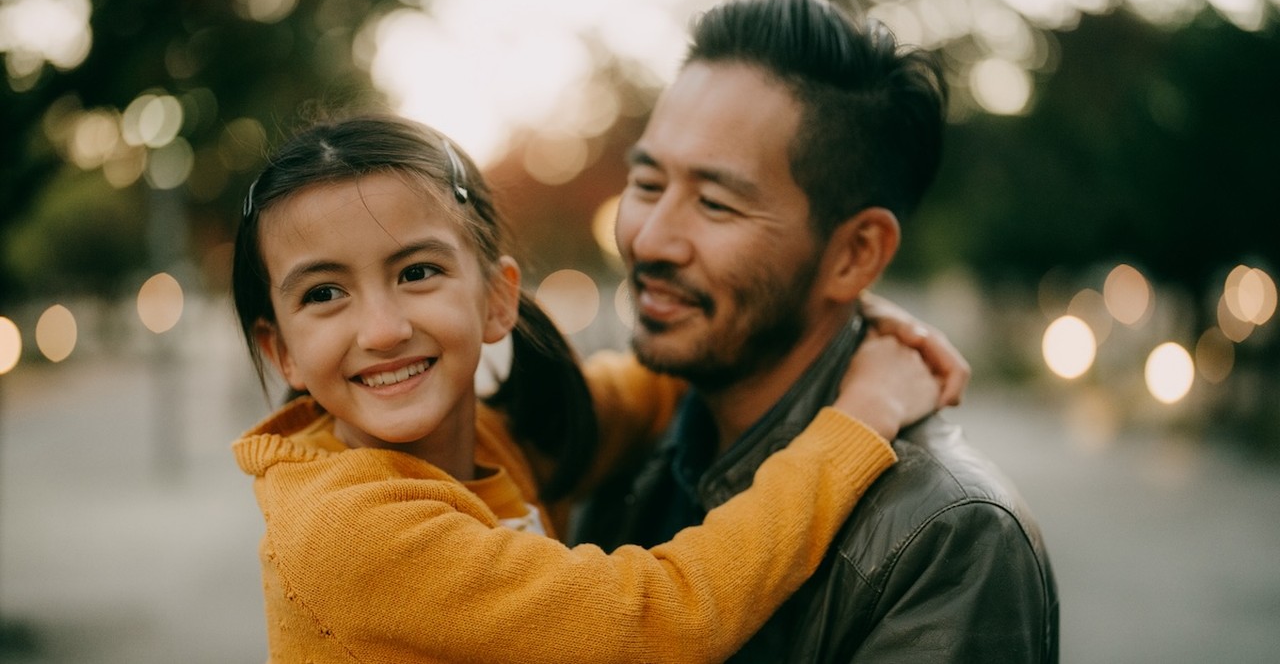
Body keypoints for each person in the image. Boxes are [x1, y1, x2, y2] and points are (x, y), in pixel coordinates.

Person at [229, 112, 959, 662]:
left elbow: (634, 390)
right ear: (281, 349)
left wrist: (822, 307)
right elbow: (658, 615)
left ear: (496, 299)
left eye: (417, 272)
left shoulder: (486, 438)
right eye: (324, 292)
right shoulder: (348, 529)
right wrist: (863, 413)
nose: (383, 328)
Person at [572, 0, 1059, 662]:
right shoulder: (635, 444)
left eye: (715, 203)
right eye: (648, 183)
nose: (650, 239)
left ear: (856, 254)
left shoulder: (946, 535)